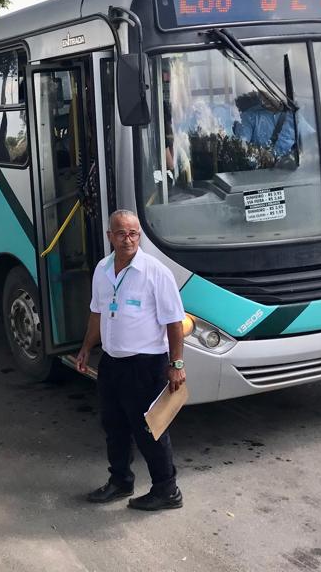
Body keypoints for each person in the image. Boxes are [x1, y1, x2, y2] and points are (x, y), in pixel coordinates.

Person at [76, 209, 186, 511]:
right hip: (112, 362)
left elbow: (174, 322)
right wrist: (86, 347)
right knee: (114, 426)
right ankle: (120, 481)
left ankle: (167, 490)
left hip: (146, 365)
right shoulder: (102, 269)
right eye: (121, 233)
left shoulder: (155, 272)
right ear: (110, 236)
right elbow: (97, 312)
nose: (128, 239)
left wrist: (176, 364)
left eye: (134, 233)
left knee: (150, 429)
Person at [233, 91, 298, 164]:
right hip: (269, 170)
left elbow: (310, 140)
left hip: (294, 168)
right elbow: (243, 146)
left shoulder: (293, 116)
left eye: (267, 96)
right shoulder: (249, 117)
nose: (267, 99)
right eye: (264, 97)